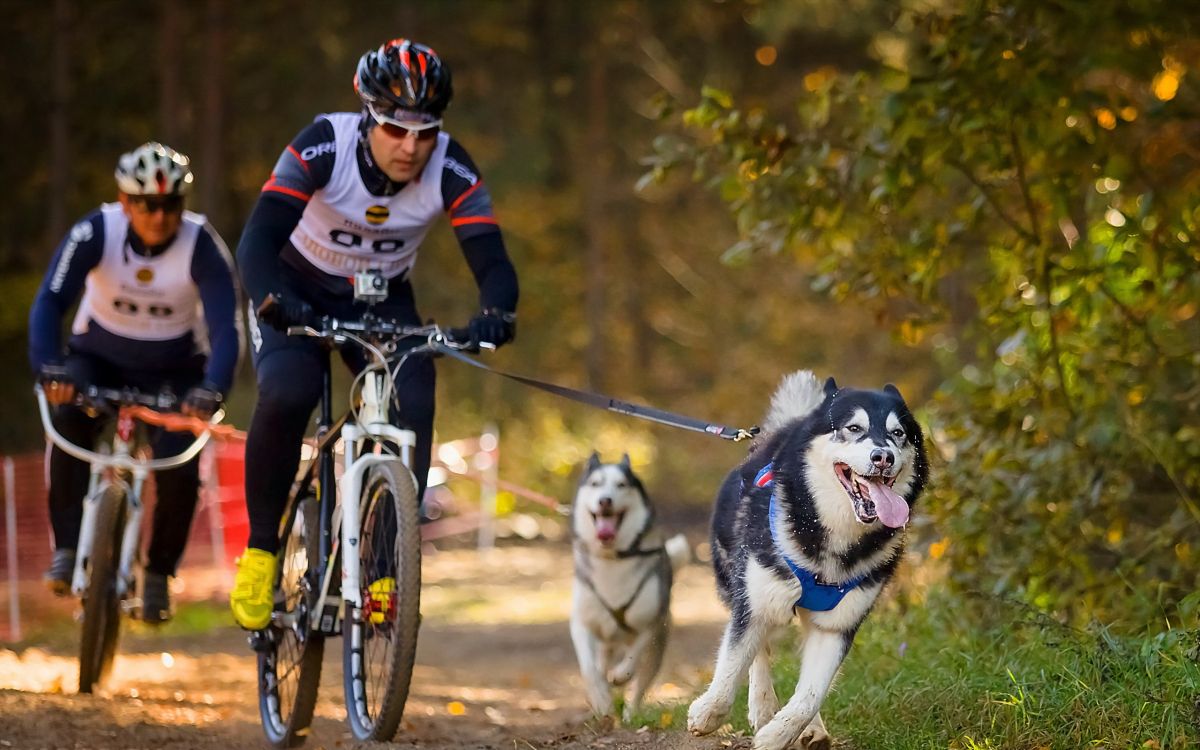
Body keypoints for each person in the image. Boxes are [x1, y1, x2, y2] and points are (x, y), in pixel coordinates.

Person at [229, 38, 519, 629]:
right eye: (395, 129)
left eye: (426, 131)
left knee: (415, 397)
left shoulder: (452, 166)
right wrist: (271, 299)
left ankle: (384, 563)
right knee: (288, 390)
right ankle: (262, 550)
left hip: (383, 297)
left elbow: (491, 258)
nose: (412, 147)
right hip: (294, 288)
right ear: (367, 115)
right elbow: (257, 238)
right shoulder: (321, 145)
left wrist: (496, 313)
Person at [28, 142, 241, 623]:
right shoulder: (94, 231)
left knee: (180, 468)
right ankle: (66, 549)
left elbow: (228, 328)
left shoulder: (201, 244)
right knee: (66, 423)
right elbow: (49, 302)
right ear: (125, 202)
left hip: (175, 369)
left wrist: (213, 387)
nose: (158, 216)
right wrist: (48, 367)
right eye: (146, 204)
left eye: (170, 205)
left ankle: (160, 574)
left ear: (182, 205)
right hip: (97, 359)